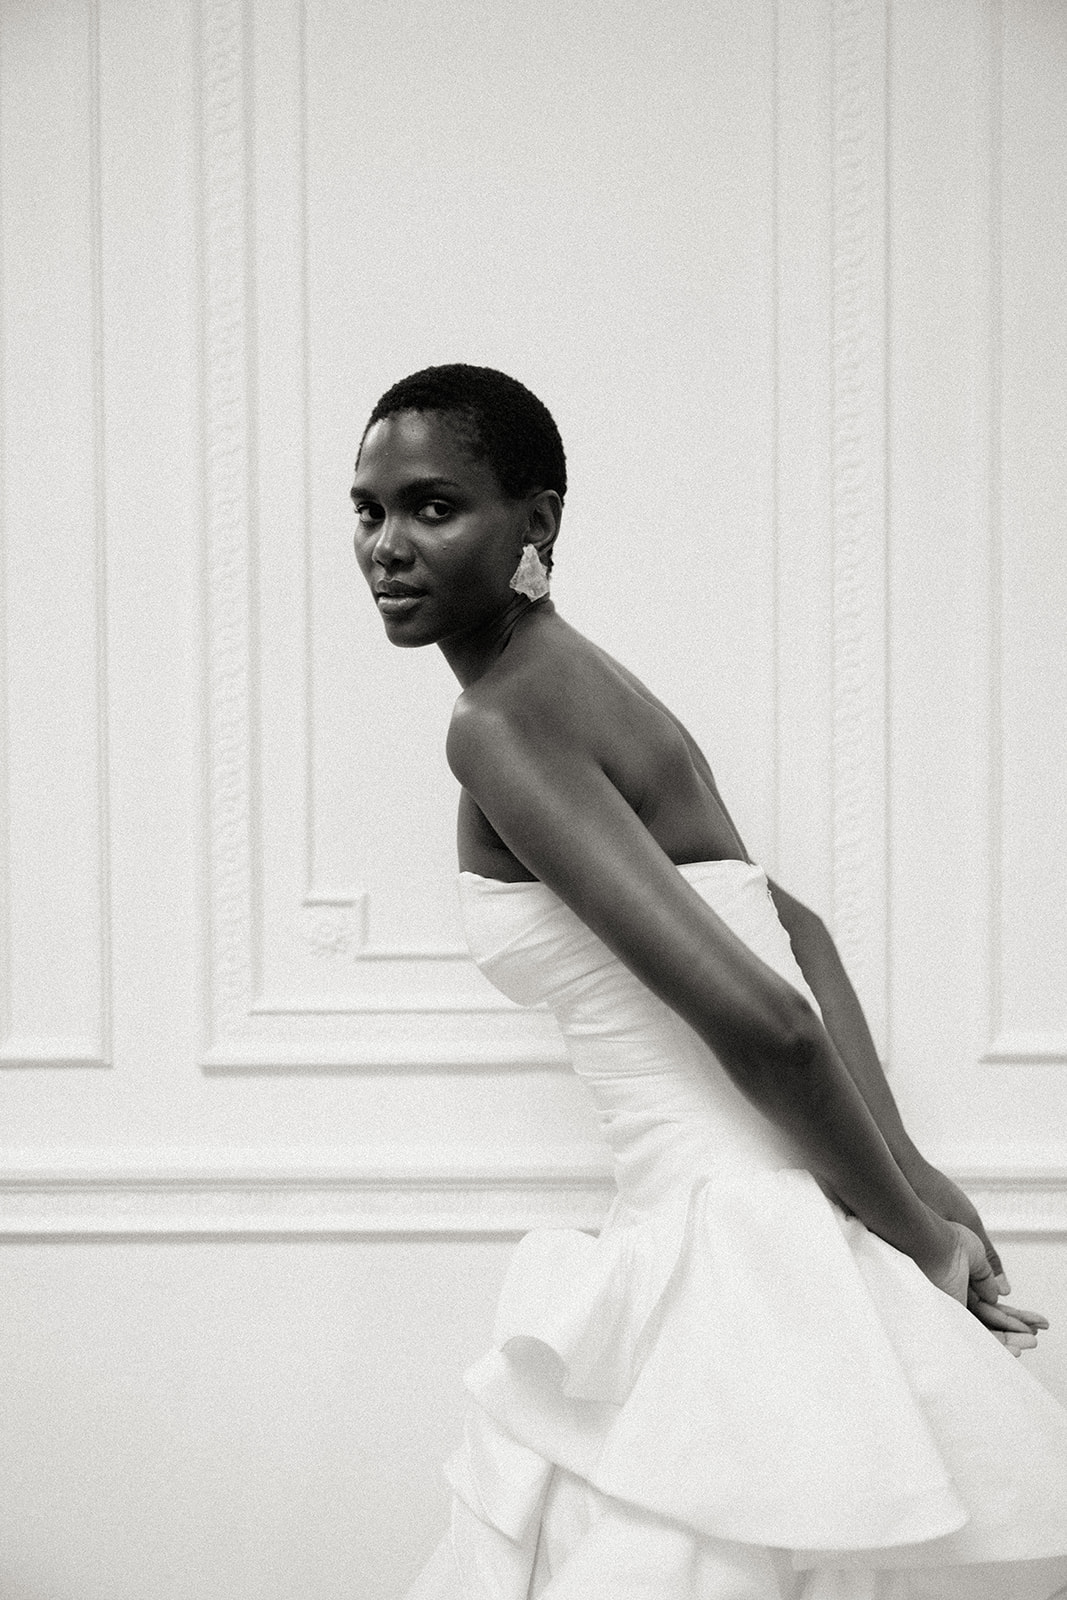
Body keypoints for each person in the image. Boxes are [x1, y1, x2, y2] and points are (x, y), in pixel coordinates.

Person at [351, 364, 1067, 1599]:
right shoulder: (585, 681)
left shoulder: (498, 722)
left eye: (431, 506)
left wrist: (915, 1233)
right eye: (366, 510)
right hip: (762, 1227)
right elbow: (789, 922)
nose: (385, 545)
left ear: (536, 520)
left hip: (717, 1250)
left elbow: (769, 1016)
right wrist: (903, 1177)